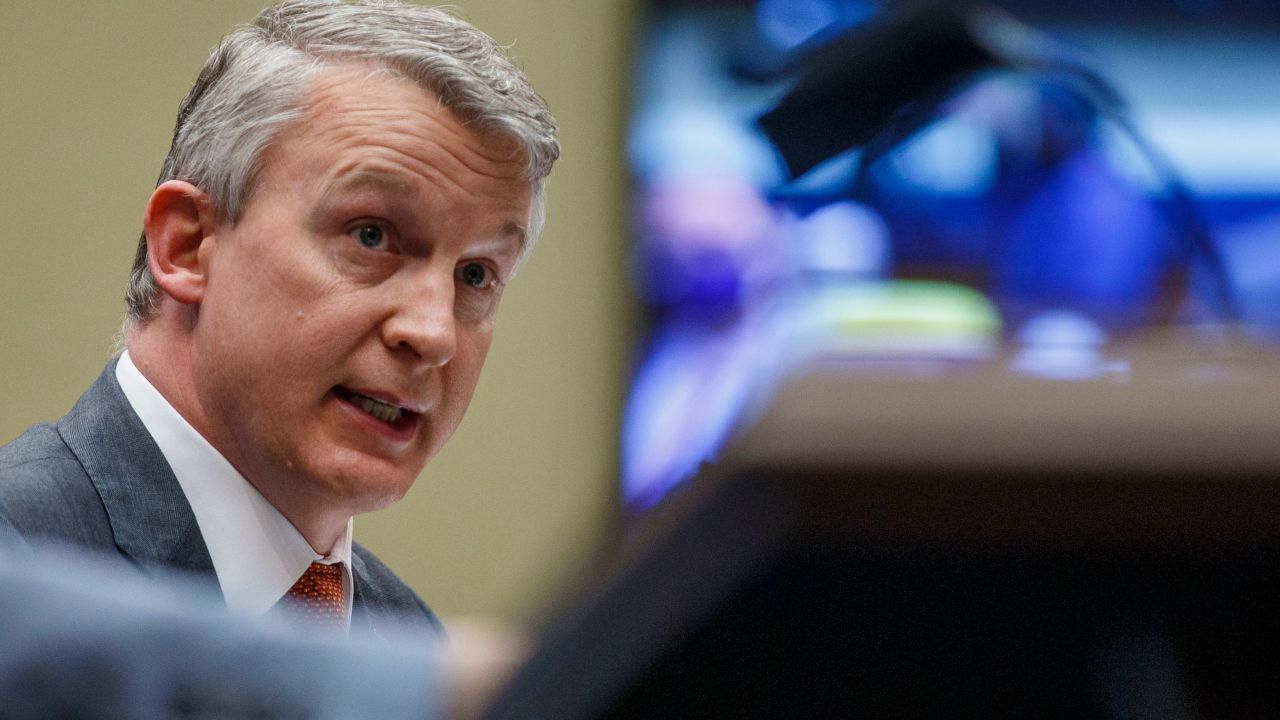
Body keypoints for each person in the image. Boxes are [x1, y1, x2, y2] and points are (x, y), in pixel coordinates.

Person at [0, 0, 559, 639]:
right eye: (372, 235)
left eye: (476, 275)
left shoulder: (409, 644)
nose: (432, 334)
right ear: (188, 245)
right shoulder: (18, 574)